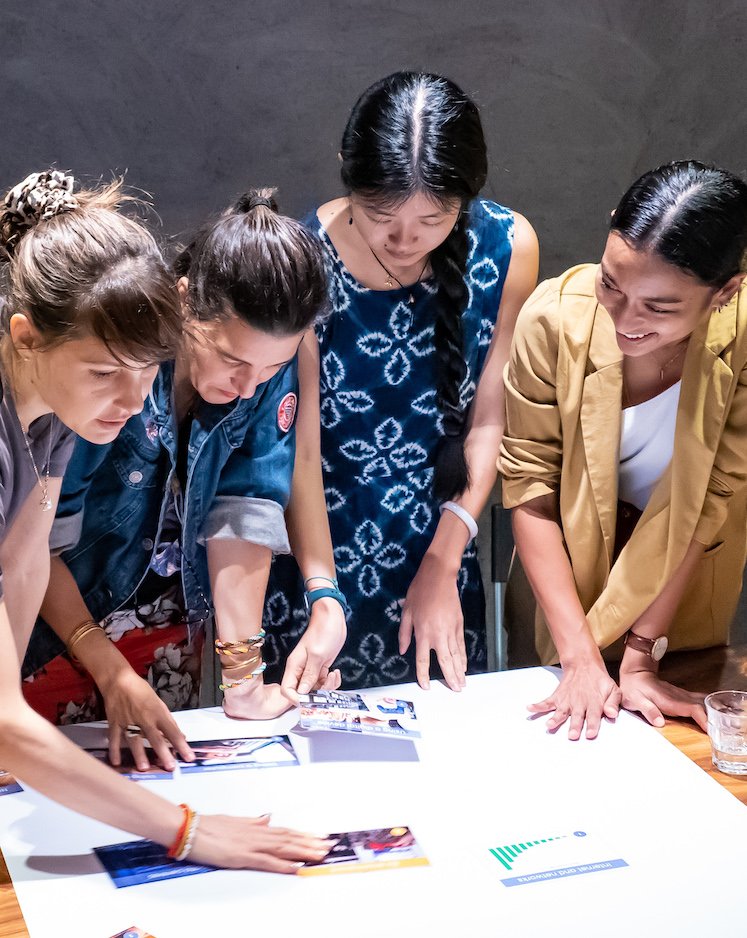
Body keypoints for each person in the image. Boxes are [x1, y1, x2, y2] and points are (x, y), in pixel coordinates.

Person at [0, 170, 329, 871]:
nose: (128, 400)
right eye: (104, 373)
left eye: (147, 371)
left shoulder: (57, 421)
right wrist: (190, 832)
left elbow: (23, 566)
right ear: (25, 338)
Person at [500, 160, 747, 740]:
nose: (624, 320)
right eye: (611, 284)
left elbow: (713, 495)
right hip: (560, 586)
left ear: (726, 291)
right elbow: (531, 492)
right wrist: (580, 658)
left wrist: (642, 654)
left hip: (681, 593)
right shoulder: (552, 318)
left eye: (659, 308)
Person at [265, 71, 539, 691]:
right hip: (317, 555)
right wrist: (322, 592)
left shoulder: (510, 245)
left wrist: (443, 564)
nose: (405, 238)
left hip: (442, 545)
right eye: (380, 214)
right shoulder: (302, 259)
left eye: (434, 218)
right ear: (347, 173)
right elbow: (299, 454)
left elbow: (489, 421)